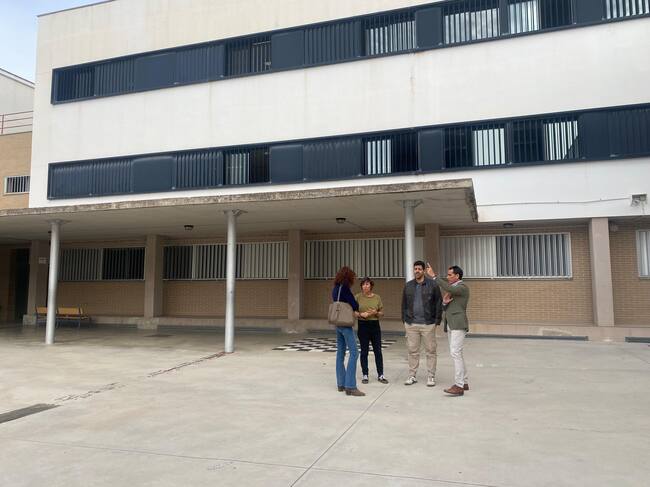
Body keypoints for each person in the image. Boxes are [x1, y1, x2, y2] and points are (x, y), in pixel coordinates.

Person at [427, 264, 470, 396]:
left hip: (458, 324)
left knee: (455, 353)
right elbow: (447, 307)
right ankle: (464, 382)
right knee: (458, 353)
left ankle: (459, 385)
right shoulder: (453, 289)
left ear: (457, 276)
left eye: (450, 275)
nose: (447, 277)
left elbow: (448, 287)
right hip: (451, 324)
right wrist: (445, 302)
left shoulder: (462, 287)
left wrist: (434, 277)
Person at [401, 260, 443, 387]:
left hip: (428, 323)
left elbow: (438, 302)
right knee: (412, 351)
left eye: (419, 269)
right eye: (415, 269)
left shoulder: (433, 285)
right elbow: (404, 304)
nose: (417, 271)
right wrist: (405, 320)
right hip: (411, 324)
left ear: (424, 271)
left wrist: (437, 321)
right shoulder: (408, 285)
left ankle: (431, 376)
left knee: (431, 351)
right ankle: (412, 375)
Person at [332, 266, 365, 397]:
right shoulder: (345, 288)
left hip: (337, 323)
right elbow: (354, 304)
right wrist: (356, 305)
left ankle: (341, 383)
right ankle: (350, 386)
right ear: (348, 277)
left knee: (340, 353)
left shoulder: (335, 288)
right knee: (354, 353)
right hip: (346, 324)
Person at [355, 277, 388, 385]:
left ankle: (381, 374)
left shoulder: (377, 297)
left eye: (367, 284)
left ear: (371, 286)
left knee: (377, 350)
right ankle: (365, 374)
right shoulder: (358, 297)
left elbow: (382, 313)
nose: (365, 286)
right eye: (363, 284)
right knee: (364, 351)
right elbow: (353, 311)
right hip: (363, 325)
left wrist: (376, 313)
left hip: (375, 325)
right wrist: (361, 314)